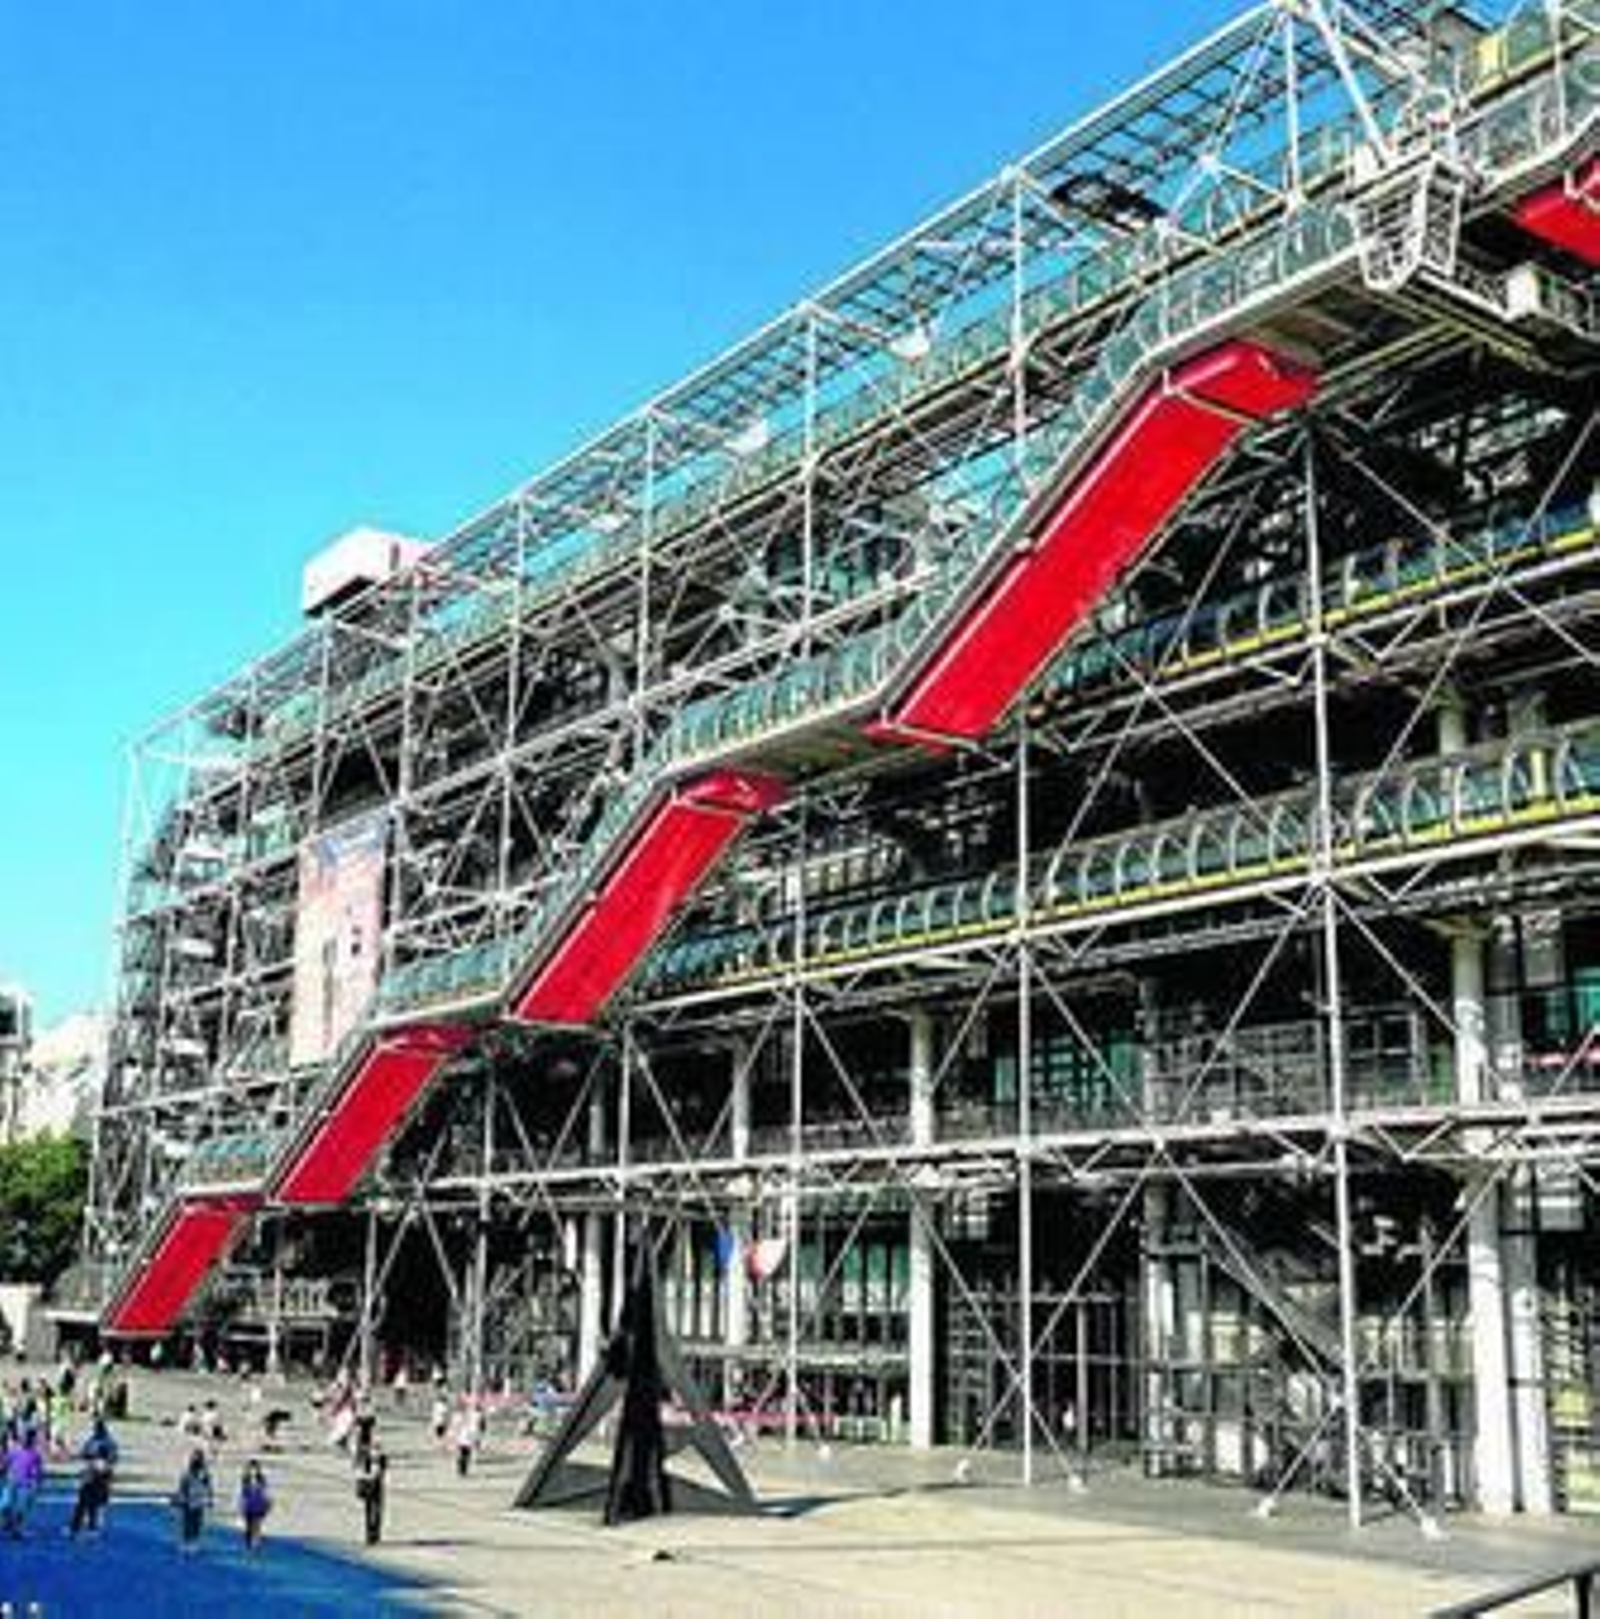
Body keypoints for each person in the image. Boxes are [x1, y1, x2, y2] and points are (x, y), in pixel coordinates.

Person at [68, 1417, 119, 1537]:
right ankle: (87, 1526)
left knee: (86, 1502)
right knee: (91, 1502)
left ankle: (80, 1526)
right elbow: (113, 1459)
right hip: (98, 1474)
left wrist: (91, 1459)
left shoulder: (96, 1441)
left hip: (94, 1474)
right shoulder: (107, 1442)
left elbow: (85, 1454)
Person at [1, 1428, 44, 1537]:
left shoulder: (35, 1454)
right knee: (5, 1505)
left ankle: (17, 1529)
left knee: (22, 1508)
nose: (25, 1439)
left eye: (29, 1437)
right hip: (11, 1481)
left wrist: (37, 1484)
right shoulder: (14, 1451)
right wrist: (4, 1474)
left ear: (32, 1439)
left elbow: (39, 1471)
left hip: (26, 1484)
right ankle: (9, 1522)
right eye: (24, 1437)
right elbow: (5, 1463)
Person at [172, 1448, 213, 1553]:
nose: (196, 1459)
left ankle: (194, 1543)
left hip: (198, 1501)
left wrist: (209, 1499)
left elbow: (208, 1487)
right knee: (187, 1523)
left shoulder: (204, 1474)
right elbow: (182, 1487)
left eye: (198, 1457)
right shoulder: (187, 1473)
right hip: (188, 1501)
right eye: (194, 1457)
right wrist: (179, 1499)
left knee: (196, 1523)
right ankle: (185, 1543)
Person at [355, 1442, 387, 1546]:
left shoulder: (380, 1458)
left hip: (374, 1486)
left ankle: (373, 1534)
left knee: (373, 1511)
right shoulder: (366, 1458)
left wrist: (365, 1477)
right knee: (372, 1511)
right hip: (372, 1486)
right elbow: (360, 1472)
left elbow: (380, 1472)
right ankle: (371, 1534)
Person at [238, 1459, 271, 1552]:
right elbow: (243, 1492)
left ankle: (255, 1543)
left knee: (256, 1525)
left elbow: (265, 1491)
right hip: (250, 1505)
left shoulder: (260, 1479)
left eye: (255, 1468)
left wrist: (267, 1503)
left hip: (257, 1504)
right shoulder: (246, 1479)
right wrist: (242, 1504)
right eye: (251, 1468)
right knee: (249, 1525)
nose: (253, 1470)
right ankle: (249, 1544)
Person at [453, 1397, 483, 1478]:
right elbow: (479, 1425)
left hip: (465, 1435)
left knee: (464, 1453)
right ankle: (462, 1469)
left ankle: (462, 1468)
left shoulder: (467, 1414)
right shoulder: (472, 1414)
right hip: (467, 1435)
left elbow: (458, 1426)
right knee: (465, 1453)